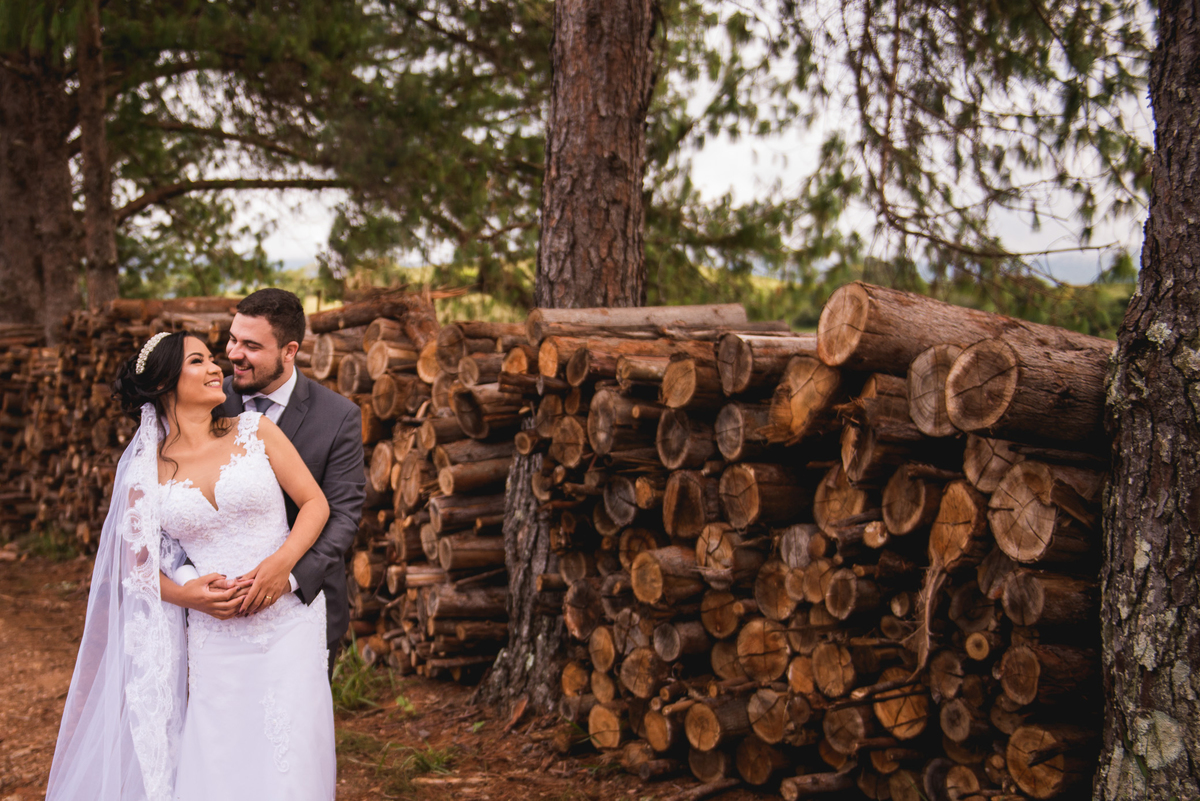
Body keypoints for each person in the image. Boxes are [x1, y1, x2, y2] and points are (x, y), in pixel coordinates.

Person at [46, 331, 336, 801]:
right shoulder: (147, 473)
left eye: (210, 358)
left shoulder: (256, 431)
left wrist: (282, 566)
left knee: (292, 758)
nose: (216, 367)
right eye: (198, 361)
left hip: (288, 623)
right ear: (165, 383)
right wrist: (188, 596)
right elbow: (134, 568)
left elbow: (315, 504)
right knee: (221, 754)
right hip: (214, 634)